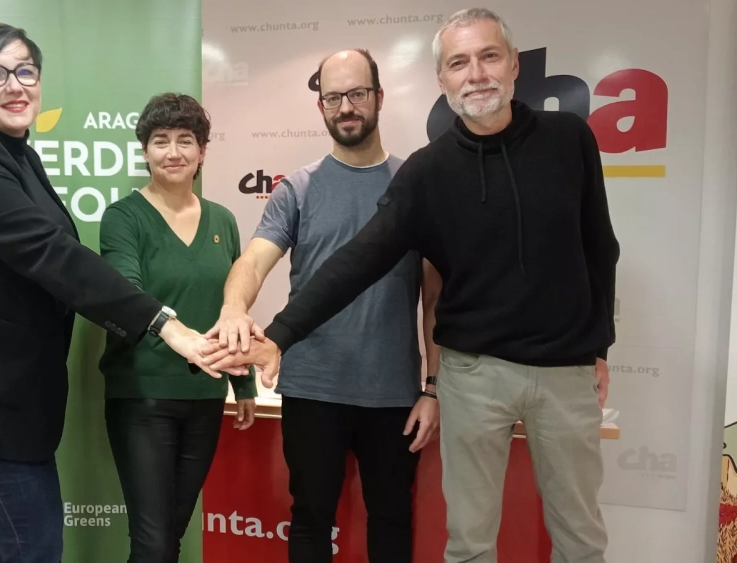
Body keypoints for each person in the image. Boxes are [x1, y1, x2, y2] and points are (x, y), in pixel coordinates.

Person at [204, 8, 619, 563]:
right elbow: (356, 261)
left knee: (580, 539)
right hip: (465, 375)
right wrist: (274, 333)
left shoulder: (568, 138)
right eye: (459, 63)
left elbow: (599, 245)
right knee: (465, 542)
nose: (476, 74)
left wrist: (599, 346)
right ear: (441, 79)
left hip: (552, 372)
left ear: (514, 64)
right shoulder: (423, 172)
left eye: (489, 57)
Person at [0, 24, 239, 563]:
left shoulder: (16, 154)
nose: (16, 85)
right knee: (33, 545)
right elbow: (51, 254)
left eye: (26, 71)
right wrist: (163, 323)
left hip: (1, 398)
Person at [205, 49, 440, 563]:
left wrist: (432, 387)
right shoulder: (297, 188)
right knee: (310, 519)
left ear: (379, 97)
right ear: (321, 107)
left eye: (357, 94)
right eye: (333, 97)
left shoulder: (415, 187)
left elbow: (433, 300)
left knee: (392, 520)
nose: (346, 107)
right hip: (312, 389)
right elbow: (253, 262)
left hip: (392, 394)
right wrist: (233, 308)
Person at [97, 92, 259, 562]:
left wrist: (243, 382)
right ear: (145, 151)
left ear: (202, 151)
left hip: (205, 396)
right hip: (143, 398)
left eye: (185, 140)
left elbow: (232, 307)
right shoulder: (123, 218)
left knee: (172, 535)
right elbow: (125, 294)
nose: (173, 152)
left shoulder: (223, 220)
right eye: (161, 140)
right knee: (152, 543)